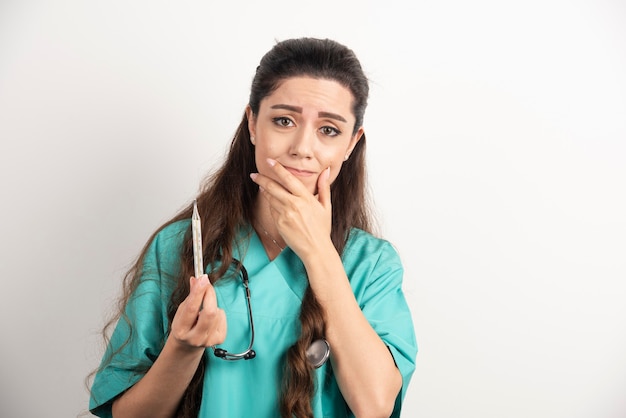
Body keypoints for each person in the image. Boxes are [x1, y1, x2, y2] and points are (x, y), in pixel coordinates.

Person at [89, 37, 417, 418]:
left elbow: (376, 406)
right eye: (283, 121)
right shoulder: (180, 246)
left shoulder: (371, 264)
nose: (301, 147)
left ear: (351, 144)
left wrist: (318, 253)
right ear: (252, 125)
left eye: (328, 130)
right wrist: (183, 347)